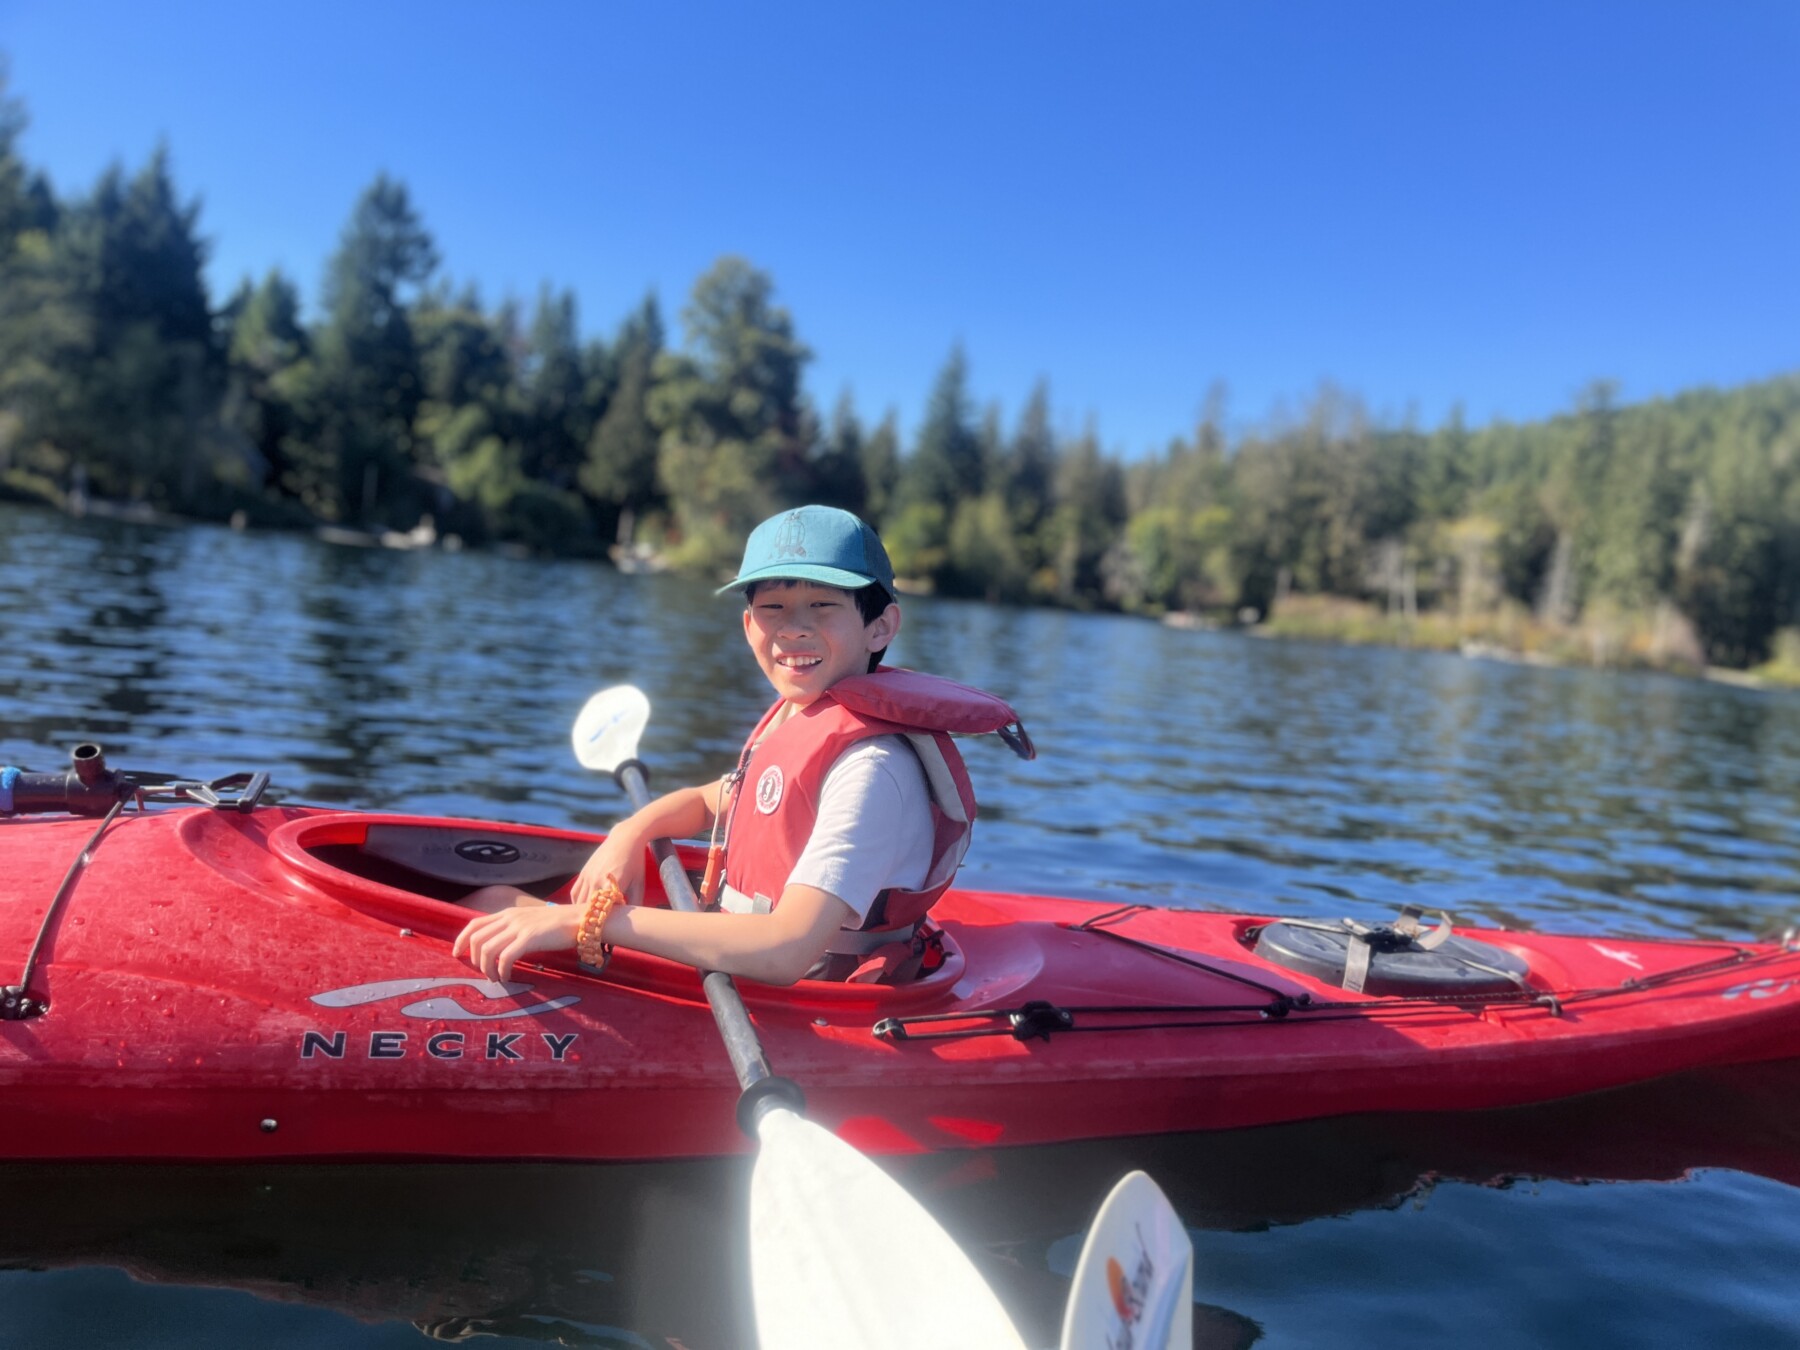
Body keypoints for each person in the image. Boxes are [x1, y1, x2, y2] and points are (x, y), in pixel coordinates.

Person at [453, 505, 1029, 987]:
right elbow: (713, 801)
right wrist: (630, 833)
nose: (792, 628)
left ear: (880, 627)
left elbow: (785, 949)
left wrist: (595, 921)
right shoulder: (799, 718)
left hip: (800, 991)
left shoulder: (872, 768)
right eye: (771, 607)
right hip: (738, 964)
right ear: (747, 623)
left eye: (822, 605)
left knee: (491, 906)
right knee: (494, 900)